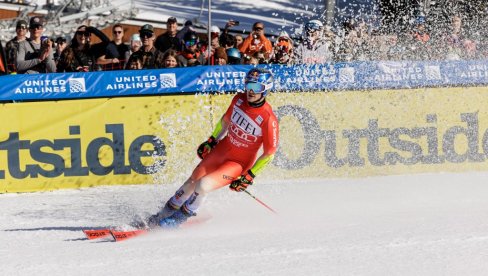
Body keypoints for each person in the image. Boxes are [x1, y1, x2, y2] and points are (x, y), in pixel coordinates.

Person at [147, 67, 279, 228]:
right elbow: (225, 121)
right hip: (222, 150)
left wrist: (250, 175)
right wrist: (211, 140)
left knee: (203, 185)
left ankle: (179, 218)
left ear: (266, 89)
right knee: (192, 180)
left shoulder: (268, 118)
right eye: (248, 85)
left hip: (238, 163)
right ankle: (165, 212)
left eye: (256, 87)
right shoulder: (238, 99)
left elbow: (270, 152)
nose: (250, 91)